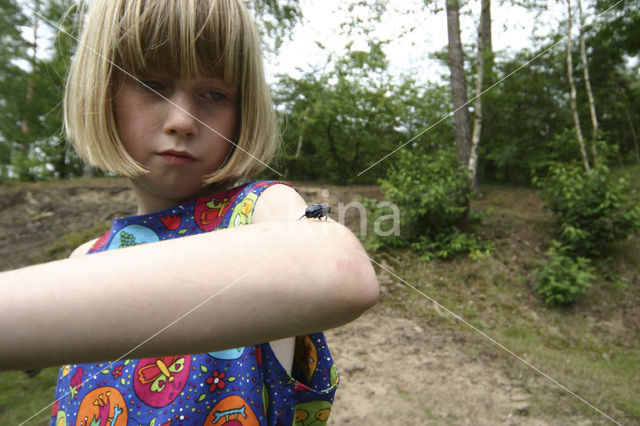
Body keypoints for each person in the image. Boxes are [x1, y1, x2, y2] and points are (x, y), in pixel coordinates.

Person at [0, 0, 379, 424]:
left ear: (242, 112)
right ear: (102, 92)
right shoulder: (83, 261)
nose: (183, 120)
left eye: (214, 94)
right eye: (151, 85)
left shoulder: (257, 211)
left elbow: (339, 269)